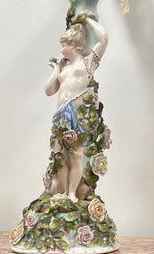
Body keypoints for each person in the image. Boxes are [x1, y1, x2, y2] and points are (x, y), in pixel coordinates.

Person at [44, 16, 108, 199]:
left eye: (64, 45)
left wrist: (87, 20)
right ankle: (63, 191)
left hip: (76, 115)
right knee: (58, 156)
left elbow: (103, 38)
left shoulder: (88, 64)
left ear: (73, 45)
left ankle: (72, 192)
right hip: (60, 116)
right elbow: (49, 91)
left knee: (76, 156)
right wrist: (56, 69)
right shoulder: (63, 69)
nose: (61, 49)